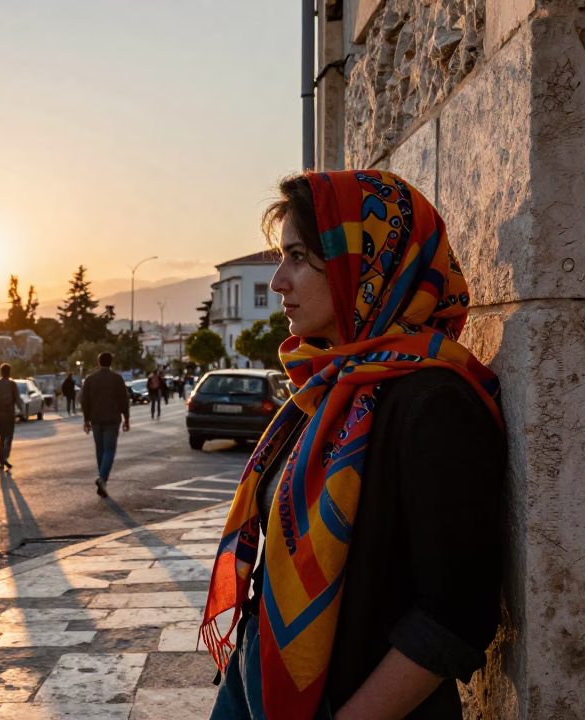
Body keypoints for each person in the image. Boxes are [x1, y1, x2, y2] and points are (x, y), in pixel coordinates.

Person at [202, 170, 506, 720]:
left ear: (362, 266)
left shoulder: (433, 404)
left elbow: (455, 614)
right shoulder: (326, 387)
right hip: (258, 679)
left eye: (297, 257)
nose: (278, 282)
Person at [80, 352, 131, 498]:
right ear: (111, 363)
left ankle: (102, 478)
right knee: (109, 449)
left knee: (100, 449)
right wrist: (126, 417)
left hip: (96, 419)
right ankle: (102, 478)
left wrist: (86, 420)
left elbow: (85, 401)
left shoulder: (90, 379)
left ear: (98, 363)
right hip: (112, 419)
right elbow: (123, 399)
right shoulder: (117, 379)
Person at [0, 363, 25, 471]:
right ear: (9, 372)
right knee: (9, 436)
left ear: (0, 372)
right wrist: (22, 410)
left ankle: (1, 459)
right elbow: (17, 398)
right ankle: (4, 457)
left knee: (2, 436)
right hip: (8, 413)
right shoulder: (12, 384)